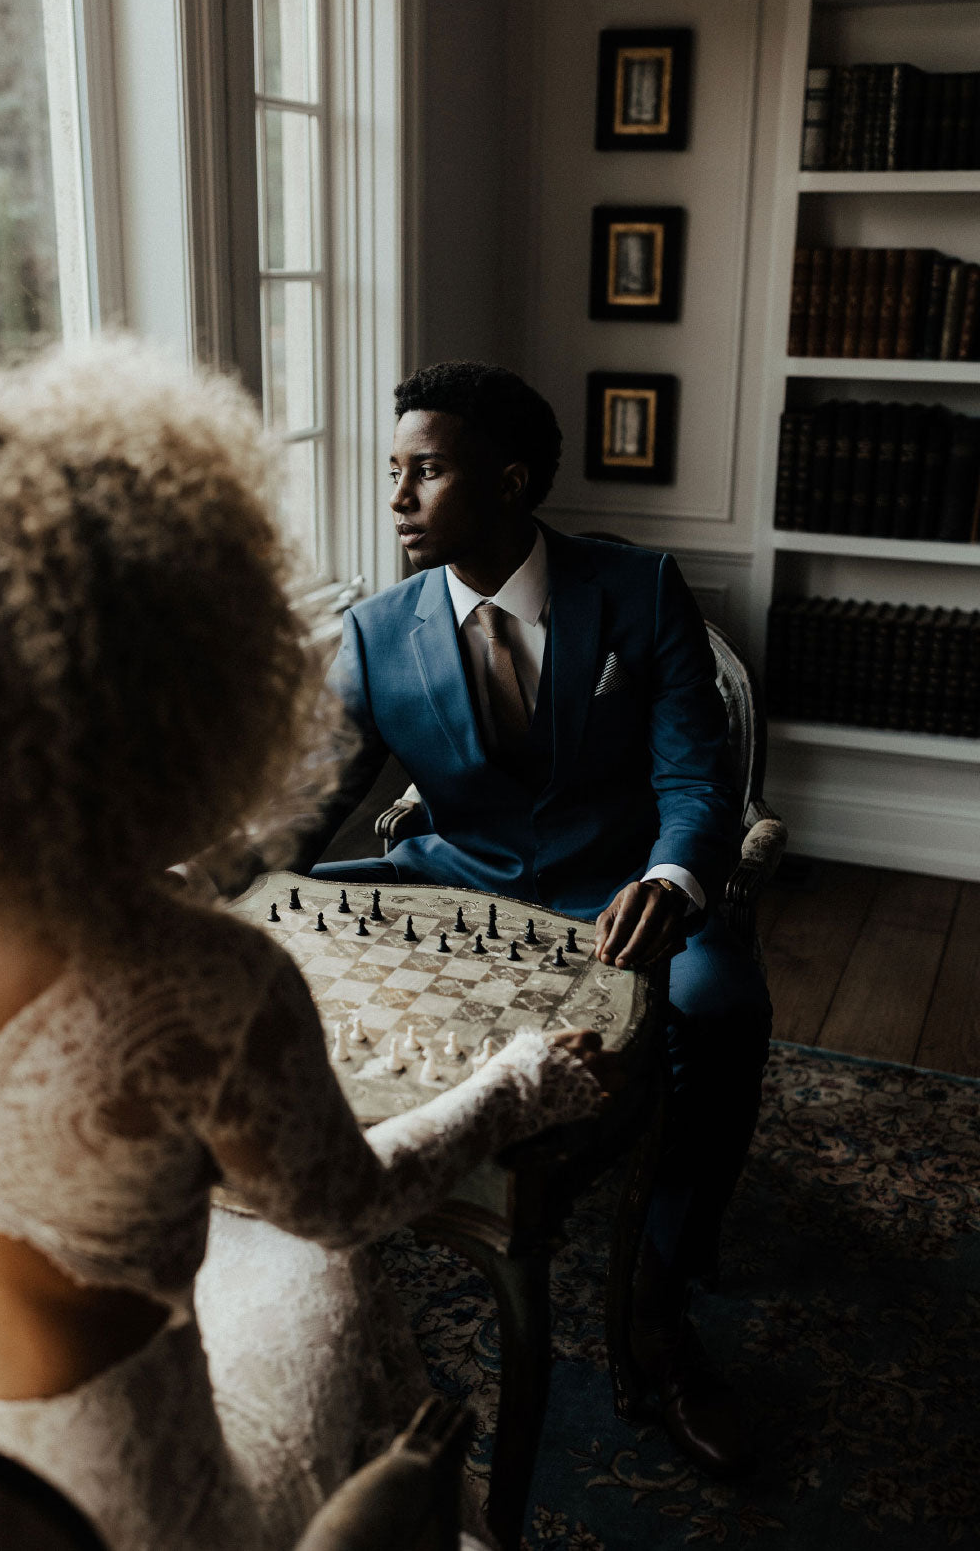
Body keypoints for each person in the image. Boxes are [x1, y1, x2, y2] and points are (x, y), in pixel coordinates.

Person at [0, 340, 614, 1550]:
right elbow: (346, 1206)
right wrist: (510, 1087)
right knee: (331, 1272)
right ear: (192, 686)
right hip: (120, 1515)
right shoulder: (209, 982)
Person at [300, 360, 774, 1475]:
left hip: (623, 892)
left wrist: (673, 881)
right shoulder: (375, 635)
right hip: (452, 884)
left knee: (722, 1003)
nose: (398, 498)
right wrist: (205, 882)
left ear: (510, 482)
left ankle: (658, 1312)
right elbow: (304, 811)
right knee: (285, 918)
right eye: (392, 472)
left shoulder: (641, 590)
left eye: (426, 472)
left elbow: (699, 781)